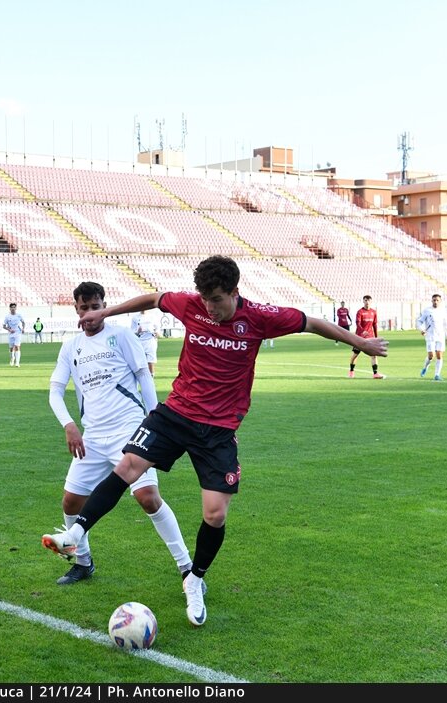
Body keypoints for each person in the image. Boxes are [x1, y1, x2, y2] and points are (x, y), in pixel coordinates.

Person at [41, 255, 388, 627]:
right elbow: (152, 299)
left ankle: (195, 578)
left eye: (217, 299)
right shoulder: (191, 305)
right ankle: (76, 533)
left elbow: (313, 322)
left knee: (215, 513)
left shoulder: (259, 317)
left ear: (235, 292)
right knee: (128, 466)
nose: (209, 307)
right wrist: (105, 313)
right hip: (176, 413)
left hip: (219, 429)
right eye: (204, 299)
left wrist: (360, 342)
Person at [48, 281, 195, 586]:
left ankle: (187, 569)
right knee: (70, 503)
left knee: (148, 497)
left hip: (129, 431)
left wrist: (156, 421)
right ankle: (84, 562)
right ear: (76, 310)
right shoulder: (70, 347)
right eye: (84, 307)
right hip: (93, 436)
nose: (90, 312)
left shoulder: (122, 336)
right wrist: (68, 424)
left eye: (96, 306)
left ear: (105, 306)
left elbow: (144, 376)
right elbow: (55, 390)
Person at [349, 295, 384, 379]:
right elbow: (358, 323)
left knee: (373, 355)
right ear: (363, 301)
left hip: (370, 337)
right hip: (360, 337)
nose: (367, 302)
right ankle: (351, 371)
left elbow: (375, 325)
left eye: (368, 300)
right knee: (355, 354)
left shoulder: (373, 312)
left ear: (371, 301)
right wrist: (362, 331)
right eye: (365, 300)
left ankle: (375, 373)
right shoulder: (360, 312)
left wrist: (376, 337)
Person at [418, 293, 447, 381]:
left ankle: (437, 375)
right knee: (431, 356)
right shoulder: (427, 310)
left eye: (437, 300)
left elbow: (445, 324)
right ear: (431, 301)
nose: (435, 302)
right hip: (430, 336)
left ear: (440, 301)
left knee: (439, 355)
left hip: (440, 336)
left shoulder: (443, 311)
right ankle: (425, 367)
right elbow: (419, 321)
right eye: (434, 300)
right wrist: (421, 329)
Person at [130, 308, 159, 375]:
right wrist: (138, 331)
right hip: (140, 341)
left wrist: (156, 333)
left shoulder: (153, 316)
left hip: (150, 340)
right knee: (140, 361)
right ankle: (141, 378)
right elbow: (132, 332)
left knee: (150, 361)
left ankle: (151, 377)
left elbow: (158, 331)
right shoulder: (135, 317)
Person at [3, 302, 25, 367]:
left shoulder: (19, 315)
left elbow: (23, 322)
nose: (13, 308)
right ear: (10, 308)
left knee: (17, 347)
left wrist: (23, 328)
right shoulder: (7, 316)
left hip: (18, 333)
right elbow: (4, 326)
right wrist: (9, 330)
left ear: (16, 308)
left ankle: (17, 363)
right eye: (12, 307)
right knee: (11, 348)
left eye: (14, 307)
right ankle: (12, 358)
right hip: (11, 334)